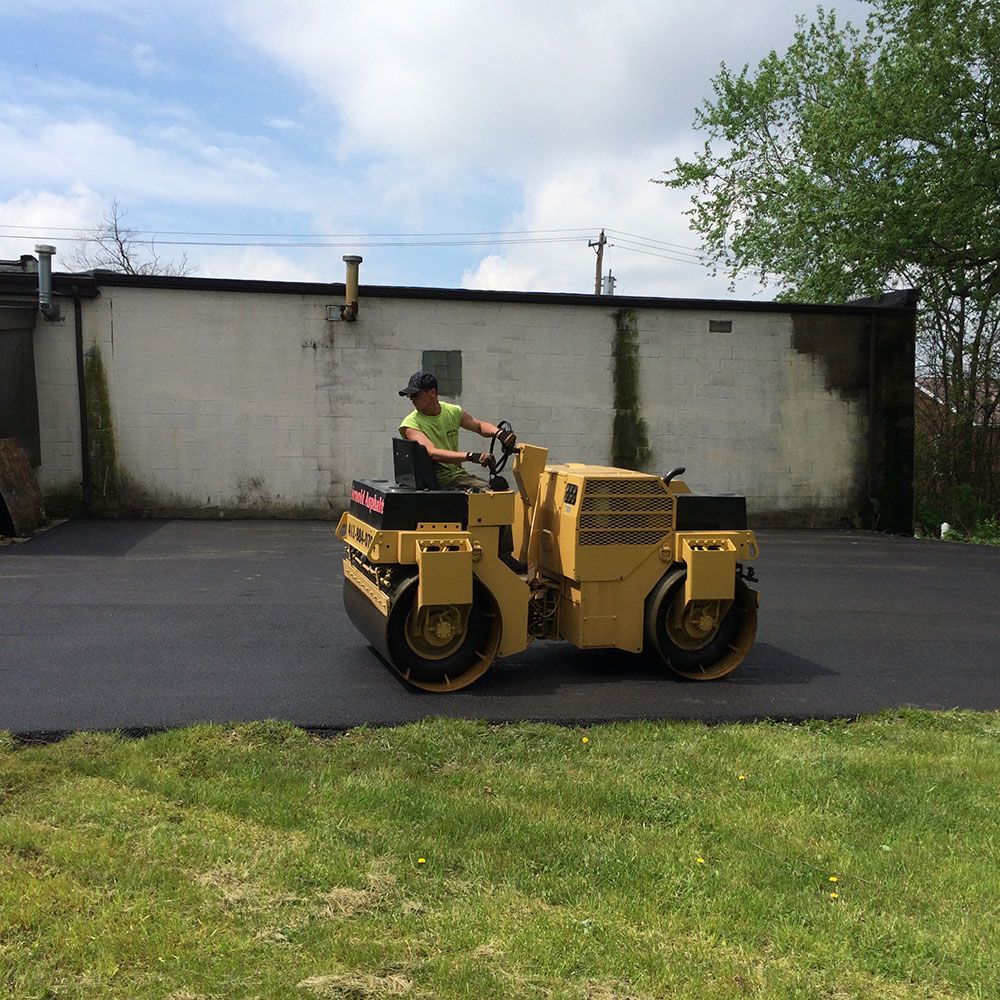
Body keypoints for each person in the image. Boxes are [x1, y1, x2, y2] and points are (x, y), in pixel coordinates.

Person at [398, 371, 515, 489]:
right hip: (442, 479)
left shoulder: (452, 411)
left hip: (458, 475)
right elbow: (432, 453)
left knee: (500, 488)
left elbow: (479, 426)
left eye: (415, 395)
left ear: (432, 393)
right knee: (493, 494)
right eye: (409, 396)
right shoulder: (410, 424)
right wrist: (471, 456)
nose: (411, 399)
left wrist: (499, 433)